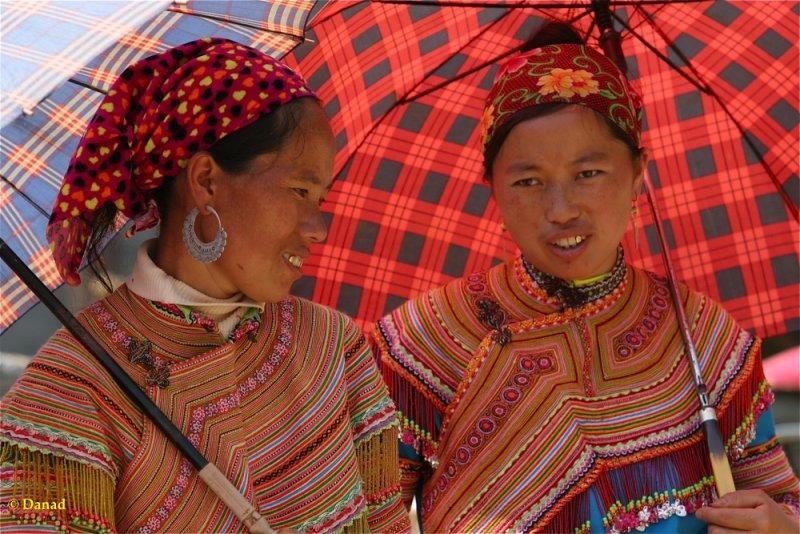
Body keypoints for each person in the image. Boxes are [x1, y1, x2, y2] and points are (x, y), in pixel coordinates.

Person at [372, 22, 799, 533]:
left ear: (639, 170)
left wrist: (778, 526)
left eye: (589, 173)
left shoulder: (707, 340)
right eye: (528, 181)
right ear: (492, 186)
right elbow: (368, 519)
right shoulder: (424, 341)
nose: (561, 210)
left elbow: (777, 500)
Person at [0, 38, 410, 533]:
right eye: (300, 191)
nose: (317, 227)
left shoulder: (331, 347)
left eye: (320, 198)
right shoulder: (70, 386)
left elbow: (386, 520)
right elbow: (33, 514)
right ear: (207, 180)